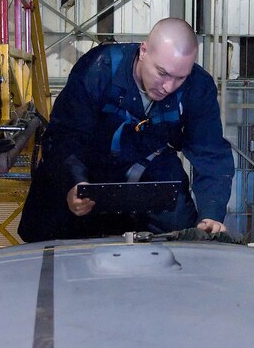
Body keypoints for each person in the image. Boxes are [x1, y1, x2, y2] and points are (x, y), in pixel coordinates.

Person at [18, 18, 235, 242]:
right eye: (162, 73)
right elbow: (65, 135)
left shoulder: (198, 87)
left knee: (181, 231)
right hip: (86, 166)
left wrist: (211, 214)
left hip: (148, 166)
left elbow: (210, 153)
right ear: (143, 51)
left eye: (180, 77)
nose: (169, 87)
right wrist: (73, 182)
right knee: (49, 230)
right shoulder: (98, 68)